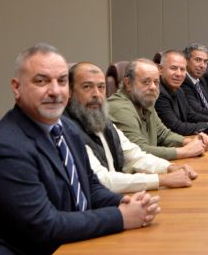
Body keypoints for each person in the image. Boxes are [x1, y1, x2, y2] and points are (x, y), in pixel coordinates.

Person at [0, 44, 160, 255]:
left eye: (62, 81)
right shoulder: (5, 149)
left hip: (62, 249)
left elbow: (89, 186)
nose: (55, 91)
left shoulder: (65, 128)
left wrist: (123, 202)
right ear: (16, 87)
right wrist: (120, 217)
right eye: (41, 81)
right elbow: (44, 226)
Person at [66, 62, 197, 193]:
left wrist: (169, 167)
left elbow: (134, 156)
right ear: (69, 91)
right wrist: (161, 179)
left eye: (101, 87)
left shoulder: (102, 120)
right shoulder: (67, 130)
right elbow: (101, 180)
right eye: (87, 87)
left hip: (116, 197)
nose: (96, 94)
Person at [108, 59, 208, 161]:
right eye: (146, 82)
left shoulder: (144, 100)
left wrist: (189, 142)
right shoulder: (120, 108)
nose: (153, 87)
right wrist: (185, 151)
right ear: (128, 83)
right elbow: (138, 151)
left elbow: (163, 134)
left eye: (156, 82)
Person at [155, 50, 208, 136]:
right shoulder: (158, 93)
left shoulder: (179, 89)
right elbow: (176, 127)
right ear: (160, 69)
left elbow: (190, 115)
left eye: (182, 69)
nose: (179, 74)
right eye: (173, 68)